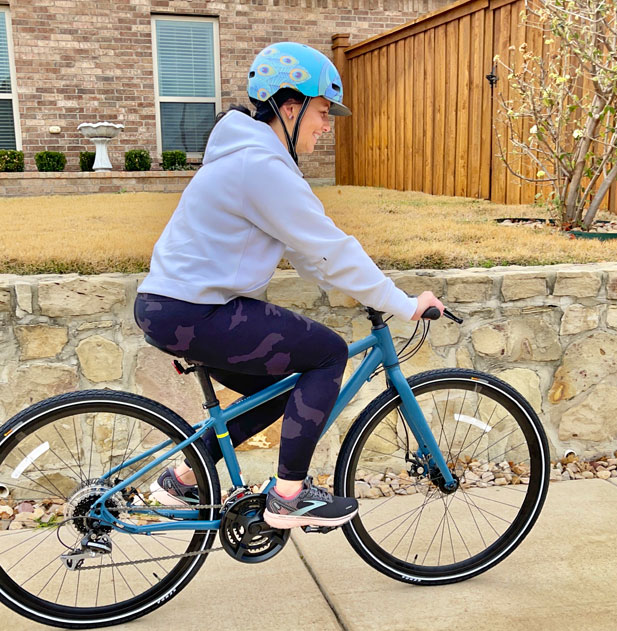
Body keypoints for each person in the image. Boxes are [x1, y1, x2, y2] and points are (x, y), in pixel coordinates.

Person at [134, 42, 443, 530]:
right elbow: (331, 251)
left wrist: (359, 288)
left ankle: (183, 477)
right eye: (323, 112)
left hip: (173, 308)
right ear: (291, 107)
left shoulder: (248, 156)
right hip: (196, 311)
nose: (327, 126)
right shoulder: (261, 166)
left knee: (280, 388)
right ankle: (288, 497)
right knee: (327, 353)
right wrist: (403, 304)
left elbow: (309, 254)